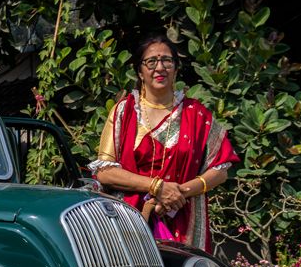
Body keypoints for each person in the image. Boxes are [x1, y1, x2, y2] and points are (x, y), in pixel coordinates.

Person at [89, 34, 239, 251]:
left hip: (185, 216)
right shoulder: (125, 111)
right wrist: (157, 187)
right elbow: (105, 172)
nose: (160, 67)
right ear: (140, 72)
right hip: (131, 219)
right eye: (151, 61)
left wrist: (180, 193)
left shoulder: (196, 114)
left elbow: (221, 168)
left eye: (167, 61)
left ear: (176, 69)